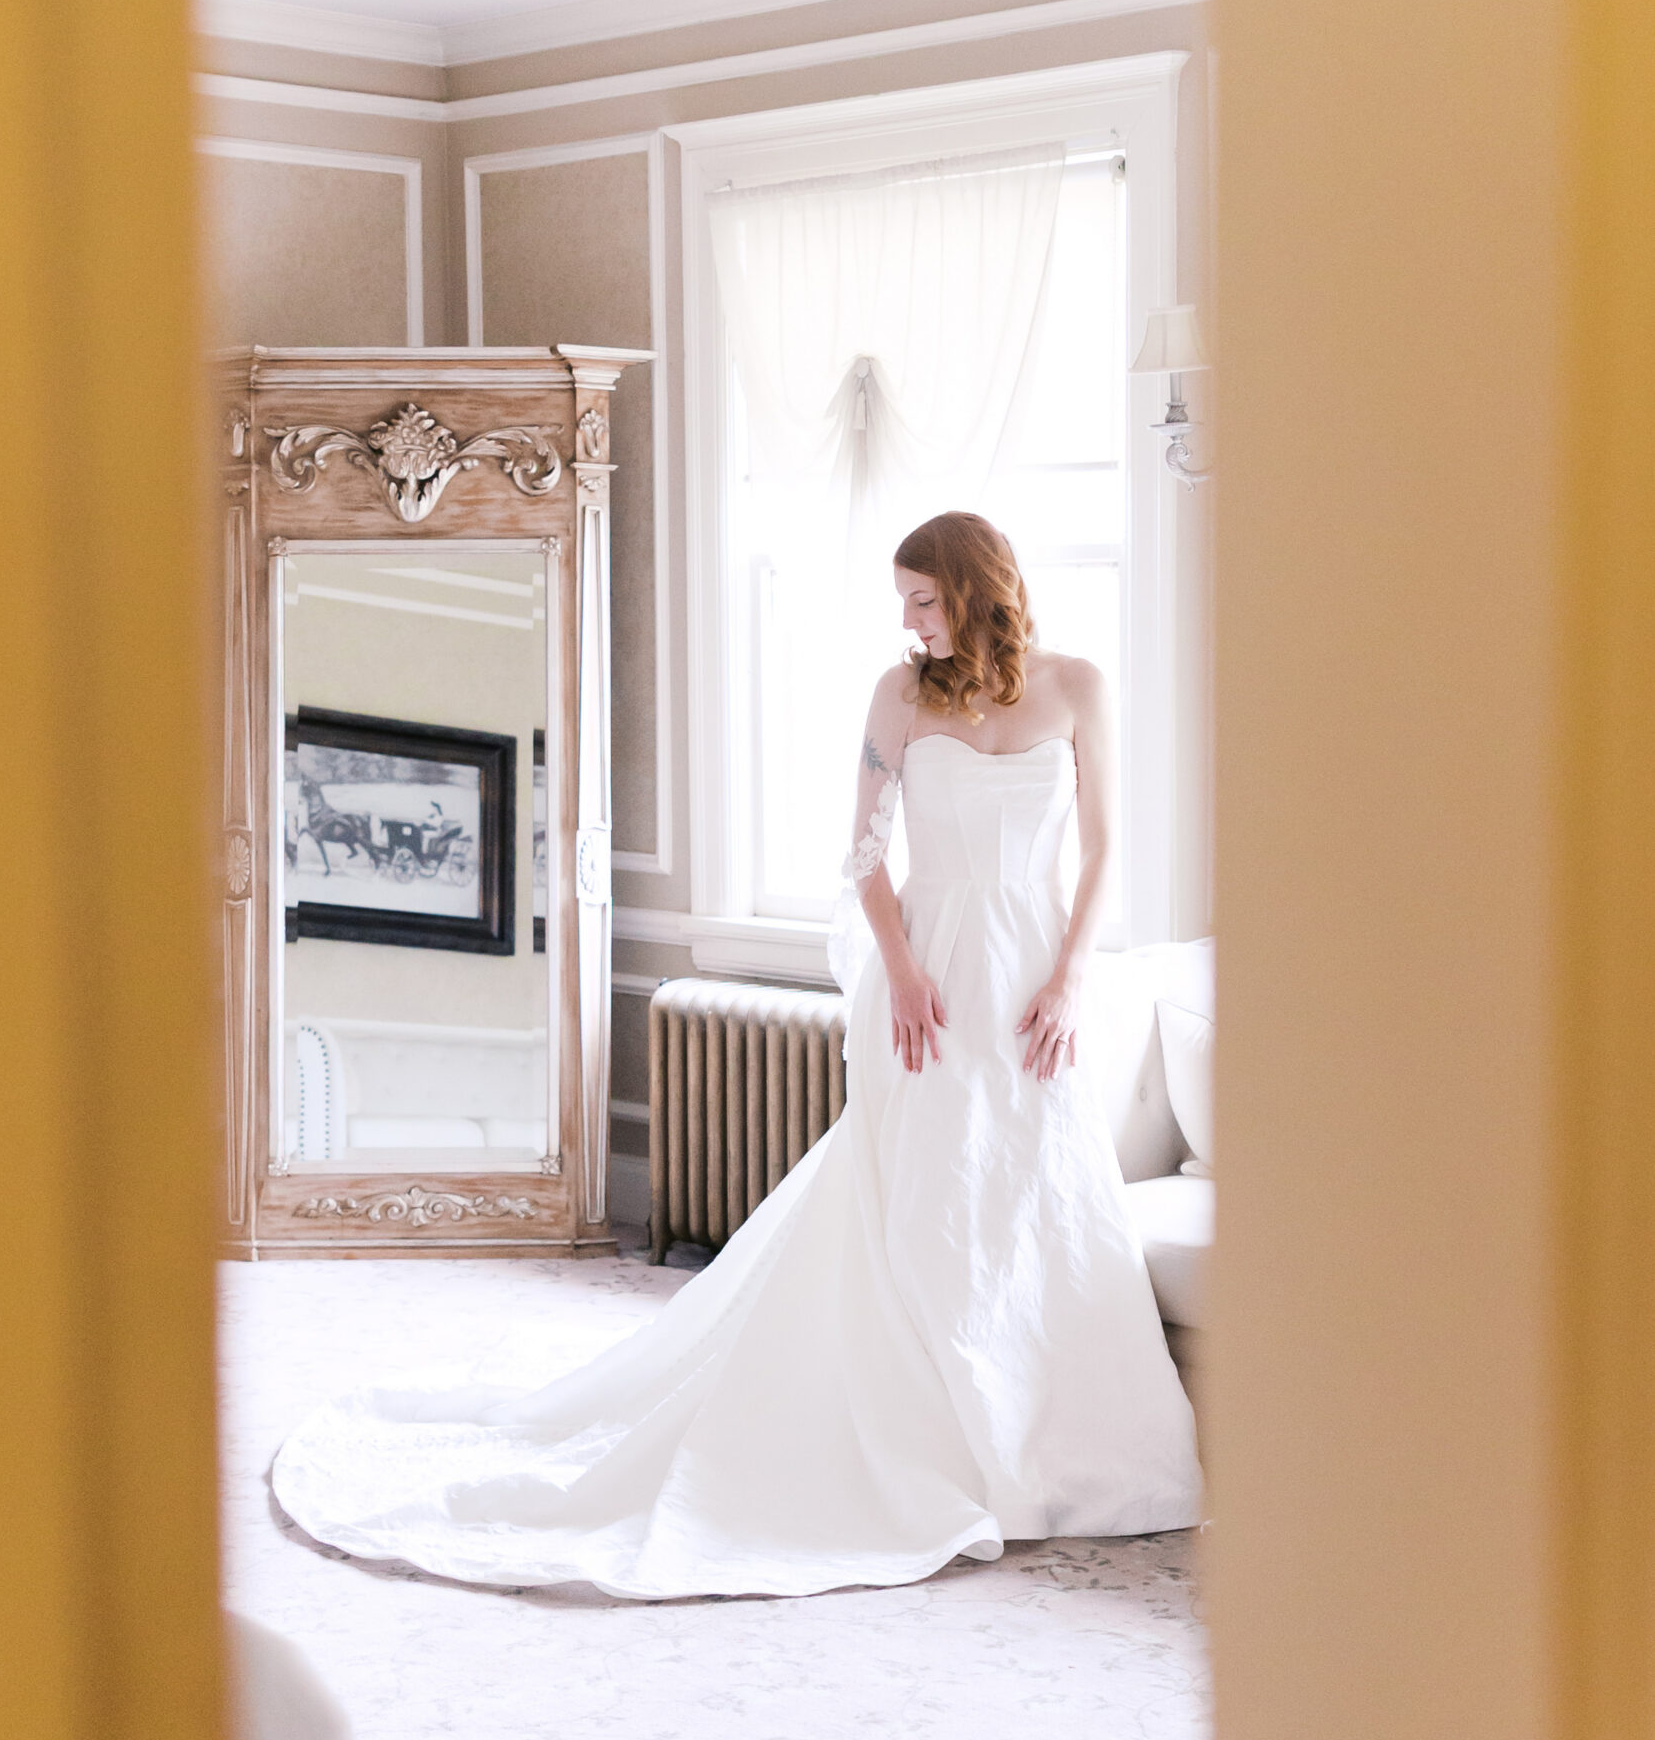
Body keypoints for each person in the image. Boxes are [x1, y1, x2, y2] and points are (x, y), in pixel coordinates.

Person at [271, 511, 1201, 1598]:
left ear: (974, 586)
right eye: (903, 602)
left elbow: (1103, 848)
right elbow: (864, 858)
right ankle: (938, 1439)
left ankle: (1046, 1445)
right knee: (927, 1197)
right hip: (930, 981)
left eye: (923, 599)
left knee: (1036, 1191)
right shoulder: (901, 696)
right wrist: (901, 972)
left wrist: (1072, 975)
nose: (910, 622)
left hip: (1035, 974)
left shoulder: (1078, 686)